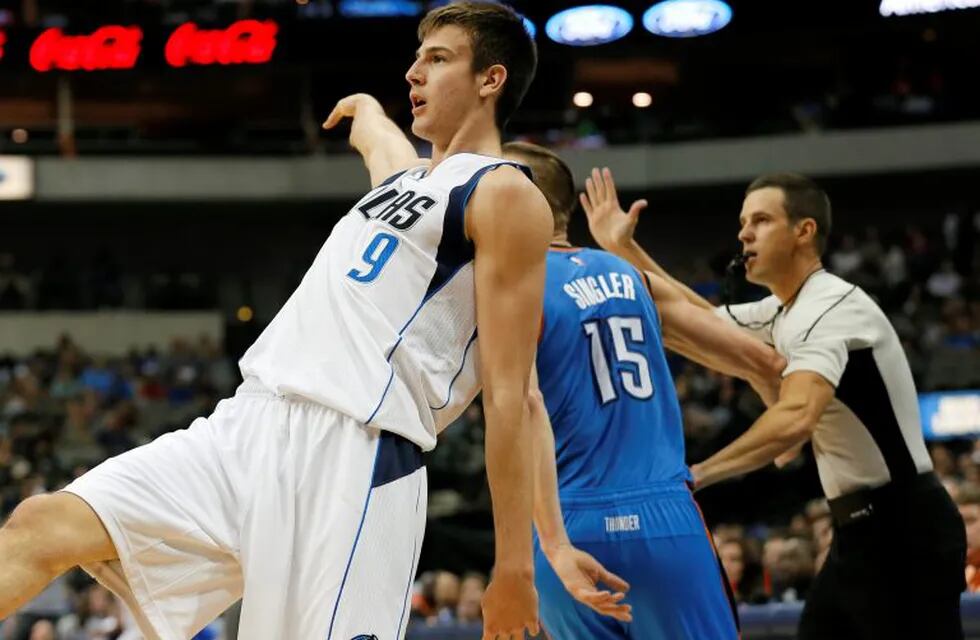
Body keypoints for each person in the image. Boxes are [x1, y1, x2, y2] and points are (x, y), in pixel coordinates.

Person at [0, 3, 560, 639]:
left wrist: (515, 566)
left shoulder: (506, 193)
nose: (414, 73)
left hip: (356, 453)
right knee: (42, 524)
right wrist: (368, 112)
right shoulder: (404, 182)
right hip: (250, 422)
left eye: (437, 59)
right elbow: (383, 148)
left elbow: (514, 393)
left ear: (492, 79)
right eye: (415, 57)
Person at [335, 101, 785, 636]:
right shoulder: (629, 275)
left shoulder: (500, 288)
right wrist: (790, 430)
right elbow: (760, 358)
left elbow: (524, 403)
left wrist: (371, 122)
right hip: (666, 513)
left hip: (565, 518)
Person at [584, 167, 967, 639]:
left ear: (804, 231)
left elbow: (796, 415)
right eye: (744, 221)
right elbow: (704, 324)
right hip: (862, 531)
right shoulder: (787, 309)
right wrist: (623, 249)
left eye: (761, 220)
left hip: (905, 529)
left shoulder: (831, 309)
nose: (744, 233)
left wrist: (700, 473)